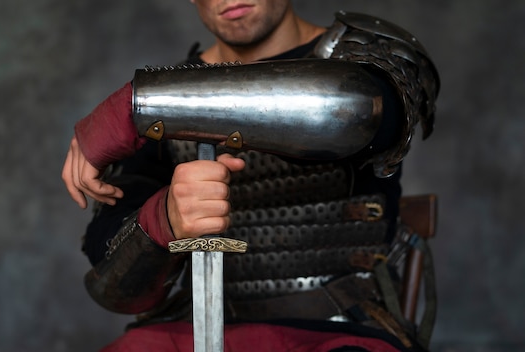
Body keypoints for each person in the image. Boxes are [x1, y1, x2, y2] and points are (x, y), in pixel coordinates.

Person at [62, 1, 439, 351]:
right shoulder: (166, 98)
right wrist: (164, 220)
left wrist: (132, 109)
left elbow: (348, 108)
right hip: (202, 327)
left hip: (339, 328)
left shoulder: (366, 60)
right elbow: (114, 284)